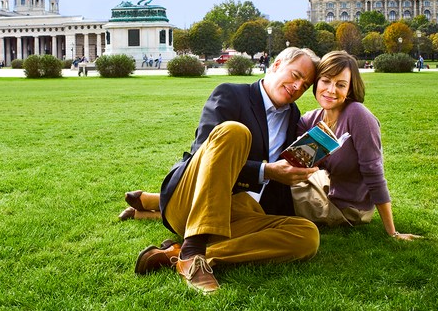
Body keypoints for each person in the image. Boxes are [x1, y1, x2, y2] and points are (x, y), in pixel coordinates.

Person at [131, 47, 322, 294]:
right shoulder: (232, 94)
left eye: (305, 85)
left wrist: (295, 173)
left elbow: (278, 179)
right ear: (275, 65)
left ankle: (178, 255)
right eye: (295, 75)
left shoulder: (293, 116)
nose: (298, 87)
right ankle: (193, 250)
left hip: (238, 213)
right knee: (234, 132)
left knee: (307, 235)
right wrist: (266, 171)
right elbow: (208, 153)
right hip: (192, 203)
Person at [297, 51, 421, 240]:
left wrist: (393, 232)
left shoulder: (357, 115)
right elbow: (298, 163)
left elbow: (374, 173)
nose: (331, 90)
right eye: (326, 81)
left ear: (350, 89)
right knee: (278, 181)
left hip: (348, 206)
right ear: (316, 82)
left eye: (340, 85)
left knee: (282, 194)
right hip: (326, 188)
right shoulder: (310, 119)